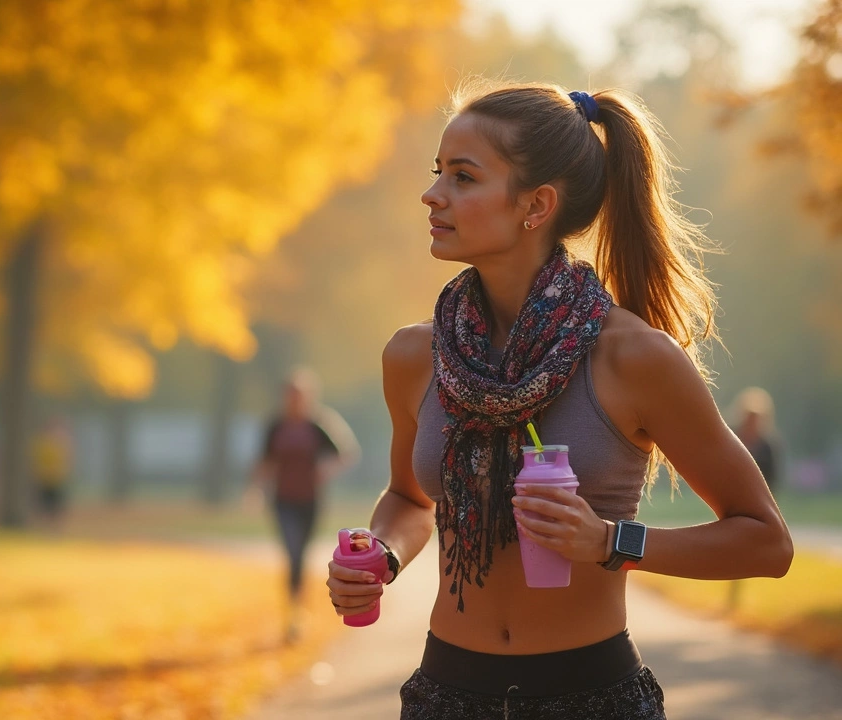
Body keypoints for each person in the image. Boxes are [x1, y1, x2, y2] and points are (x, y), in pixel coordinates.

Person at [325, 81, 793, 718]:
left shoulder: (634, 358)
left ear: (536, 205)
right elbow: (410, 499)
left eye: (463, 177)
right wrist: (380, 555)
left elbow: (766, 543)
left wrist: (609, 542)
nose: (433, 195)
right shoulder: (414, 356)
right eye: (438, 173)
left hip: (593, 697)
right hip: (445, 695)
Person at [250, 367, 359, 643]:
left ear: (309, 397)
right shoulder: (276, 426)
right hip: (283, 500)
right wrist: (255, 489)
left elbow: (345, 453)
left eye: (300, 395)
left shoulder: (318, 425)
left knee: (302, 554)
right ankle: (294, 614)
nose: (295, 400)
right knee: (293, 553)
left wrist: (325, 471)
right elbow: (264, 461)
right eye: (291, 395)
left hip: (310, 501)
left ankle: (298, 611)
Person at [731, 387, 782, 495]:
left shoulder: (767, 447)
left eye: (755, 420)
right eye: (749, 419)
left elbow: (772, 478)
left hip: (758, 496)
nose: (751, 424)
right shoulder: (731, 440)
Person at [32, 415, 73, 529]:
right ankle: (46, 527)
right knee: (45, 505)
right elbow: (37, 461)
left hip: (57, 479)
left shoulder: (61, 443)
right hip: (44, 479)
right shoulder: (42, 443)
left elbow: (66, 460)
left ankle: (55, 528)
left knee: (57, 506)